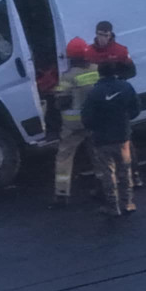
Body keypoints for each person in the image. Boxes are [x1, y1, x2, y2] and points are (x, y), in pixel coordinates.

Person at [84, 20, 143, 188]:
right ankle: (107, 180)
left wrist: (117, 78)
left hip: (116, 98)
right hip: (99, 99)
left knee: (125, 142)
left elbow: (132, 71)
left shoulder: (120, 51)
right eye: (100, 35)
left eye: (106, 35)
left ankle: (134, 175)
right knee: (101, 145)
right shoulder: (89, 52)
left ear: (110, 35)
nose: (102, 39)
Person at [82, 60, 141, 216]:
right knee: (125, 170)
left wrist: (95, 128)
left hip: (102, 139)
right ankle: (127, 203)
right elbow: (136, 109)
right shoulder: (126, 87)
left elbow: (87, 118)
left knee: (108, 173)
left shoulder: (94, 93)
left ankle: (113, 206)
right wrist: (125, 120)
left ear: (99, 73)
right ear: (115, 72)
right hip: (122, 136)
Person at [50, 37, 99, 205]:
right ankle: (103, 185)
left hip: (72, 125)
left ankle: (62, 192)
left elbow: (61, 102)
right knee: (98, 154)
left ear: (71, 58)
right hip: (93, 122)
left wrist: (56, 95)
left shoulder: (68, 77)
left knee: (64, 157)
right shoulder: (97, 71)